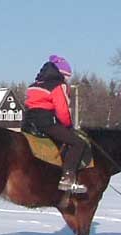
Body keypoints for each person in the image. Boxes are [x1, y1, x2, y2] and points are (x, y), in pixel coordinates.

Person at [22, 55, 87, 193]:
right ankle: (67, 178)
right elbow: (62, 110)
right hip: (46, 122)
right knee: (78, 143)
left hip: (28, 123)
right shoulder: (58, 85)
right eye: (66, 76)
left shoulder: (34, 85)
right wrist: (68, 127)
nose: (66, 80)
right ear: (60, 73)